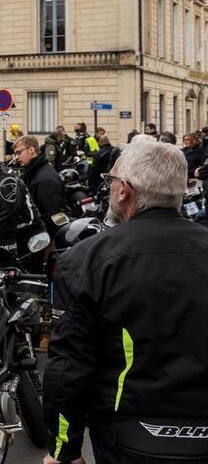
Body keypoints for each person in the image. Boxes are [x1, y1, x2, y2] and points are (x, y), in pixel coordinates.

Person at [43, 140, 208, 464]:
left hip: (131, 439)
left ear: (124, 191)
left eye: (111, 181)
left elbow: (67, 368)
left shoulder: (84, 260)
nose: (110, 188)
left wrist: (64, 450)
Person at [13, 135, 68, 238]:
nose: (16, 157)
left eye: (19, 152)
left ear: (31, 150)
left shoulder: (45, 179)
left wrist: (48, 244)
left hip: (42, 238)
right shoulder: (32, 171)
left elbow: (52, 216)